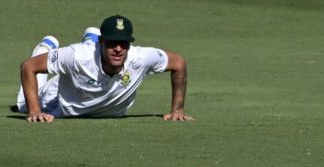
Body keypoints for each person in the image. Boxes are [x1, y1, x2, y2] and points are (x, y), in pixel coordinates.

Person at [15, 14, 193, 122]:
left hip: (90, 77)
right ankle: (45, 47)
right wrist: (35, 111)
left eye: (123, 44)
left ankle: (91, 39)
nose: (118, 49)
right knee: (24, 106)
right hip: (61, 100)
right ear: (103, 42)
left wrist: (177, 110)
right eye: (112, 43)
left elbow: (178, 63)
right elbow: (28, 67)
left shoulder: (140, 58)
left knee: (91, 55)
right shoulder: (77, 56)